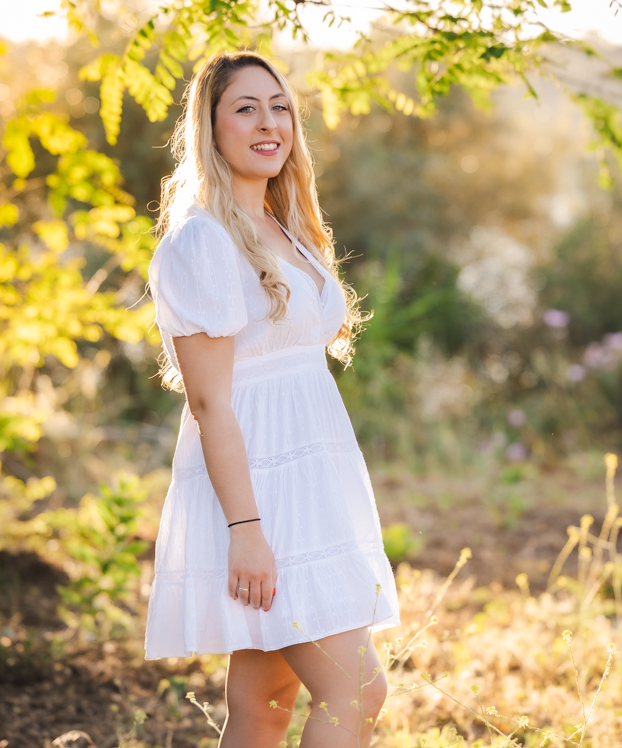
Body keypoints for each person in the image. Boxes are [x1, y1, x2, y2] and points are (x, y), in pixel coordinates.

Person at [143, 51, 401, 748]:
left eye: (279, 106)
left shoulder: (284, 226)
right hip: (257, 492)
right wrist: (246, 530)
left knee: (265, 707)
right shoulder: (202, 241)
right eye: (246, 108)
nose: (268, 123)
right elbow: (209, 405)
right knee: (354, 691)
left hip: (310, 482)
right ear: (211, 127)